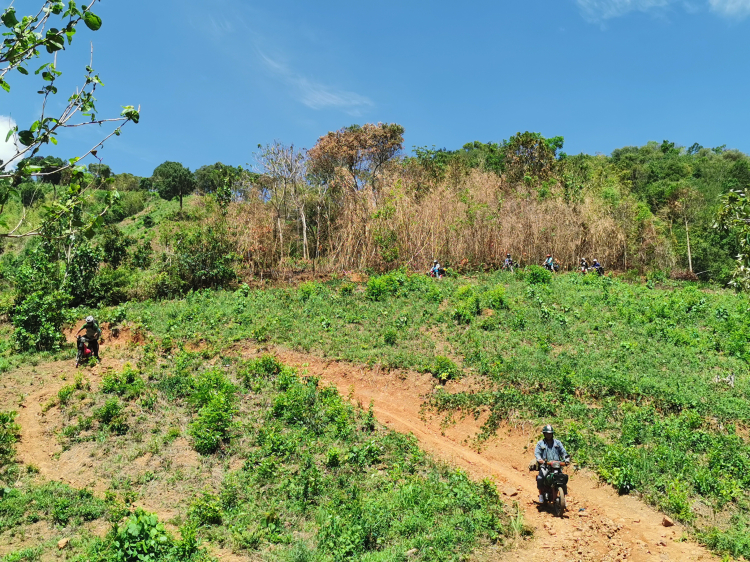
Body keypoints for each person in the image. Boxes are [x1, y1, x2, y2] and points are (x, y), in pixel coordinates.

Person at [534, 424, 571, 503]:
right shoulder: (540, 443)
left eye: (550, 433)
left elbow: (563, 452)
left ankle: (563, 498)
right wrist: (540, 460)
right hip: (545, 466)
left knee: (562, 479)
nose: (548, 435)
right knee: (540, 478)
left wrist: (566, 459)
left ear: (552, 434)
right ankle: (541, 494)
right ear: (544, 434)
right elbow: (537, 453)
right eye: (547, 433)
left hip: (557, 466)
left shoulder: (558, 443)